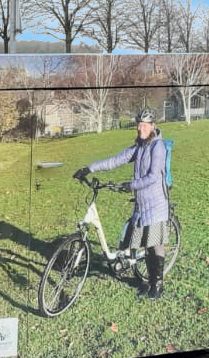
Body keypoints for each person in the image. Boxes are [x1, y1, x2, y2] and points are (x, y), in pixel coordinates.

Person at [73, 109, 170, 299]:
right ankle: (146, 280)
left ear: (152, 126)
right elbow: (116, 160)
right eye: (139, 125)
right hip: (141, 205)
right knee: (138, 243)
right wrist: (88, 168)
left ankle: (157, 285)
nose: (140, 128)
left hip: (156, 204)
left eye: (144, 125)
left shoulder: (157, 147)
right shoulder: (140, 146)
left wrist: (130, 185)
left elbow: (152, 177)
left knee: (154, 245)